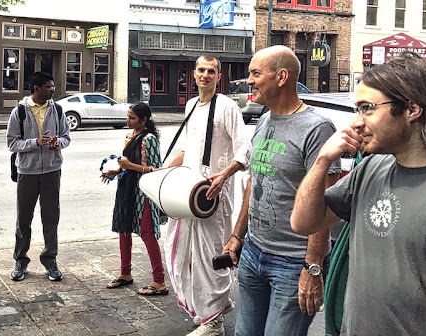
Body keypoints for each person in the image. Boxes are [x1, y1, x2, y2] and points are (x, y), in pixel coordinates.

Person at [291, 51, 426, 335]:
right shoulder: (371, 167)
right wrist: (322, 160)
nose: (357, 122)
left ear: (411, 109)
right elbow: (303, 223)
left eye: (367, 108)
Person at [223, 45, 341, 336]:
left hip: (293, 263)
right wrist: (238, 236)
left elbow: (326, 204)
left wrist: (312, 267)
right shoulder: (264, 119)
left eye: (255, 73)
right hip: (253, 253)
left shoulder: (317, 128)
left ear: (281, 77)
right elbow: (255, 180)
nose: (248, 81)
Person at [164, 54, 250, 336]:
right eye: (201, 70)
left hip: (214, 196)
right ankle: (210, 308)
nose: (205, 75)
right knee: (183, 254)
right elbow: (189, 149)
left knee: (209, 256)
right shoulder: (191, 106)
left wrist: (223, 175)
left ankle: (212, 323)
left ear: (218, 76)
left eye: (211, 71)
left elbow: (244, 150)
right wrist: (161, 171)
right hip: (188, 192)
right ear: (193, 74)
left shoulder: (227, 107)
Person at [6, 71, 71, 282]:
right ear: (36, 89)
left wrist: (57, 143)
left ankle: (50, 260)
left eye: (53, 86)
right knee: (23, 219)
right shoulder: (20, 112)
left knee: (51, 217)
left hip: (52, 170)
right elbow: (12, 143)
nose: (53, 90)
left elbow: (66, 137)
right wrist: (36, 142)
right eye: (49, 87)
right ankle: (20, 261)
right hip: (28, 172)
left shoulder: (57, 109)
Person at [101, 103, 167, 295]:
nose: (127, 121)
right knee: (124, 229)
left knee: (147, 232)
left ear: (144, 121)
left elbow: (156, 169)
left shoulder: (150, 139)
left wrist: (129, 166)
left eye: (132, 118)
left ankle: (159, 280)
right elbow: (128, 165)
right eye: (128, 116)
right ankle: (125, 273)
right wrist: (117, 170)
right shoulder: (130, 135)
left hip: (143, 190)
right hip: (126, 187)